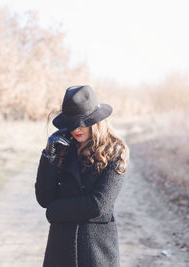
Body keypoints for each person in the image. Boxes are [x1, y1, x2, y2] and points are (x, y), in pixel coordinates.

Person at [35, 85, 130, 267]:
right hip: (61, 247)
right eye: (71, 122)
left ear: (96, 120)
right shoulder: (62, 147)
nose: (76, 128)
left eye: (83, 122)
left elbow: (98, 204)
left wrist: (55, 211)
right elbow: (44, 198)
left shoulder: (115, 151)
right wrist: (49, 155)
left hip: (96, 250)